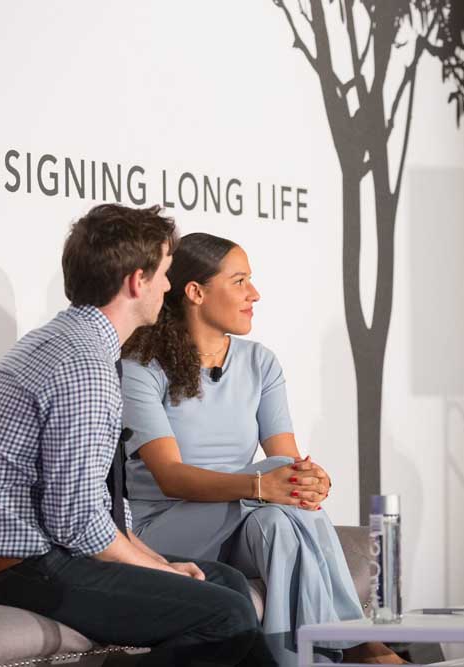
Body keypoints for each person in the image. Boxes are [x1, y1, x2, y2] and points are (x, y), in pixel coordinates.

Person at [0, 205, 275, 667]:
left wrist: (161, 565)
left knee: (225, 583)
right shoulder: (85, 368)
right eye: (164, 273)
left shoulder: (71, 342)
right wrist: (159, 567)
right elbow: (79, 524)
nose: (168, 287)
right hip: (18, 572)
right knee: (229, 614)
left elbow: (98, 515)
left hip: (40, 558)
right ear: (137, 281)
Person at [120, 232, 403, 666]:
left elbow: (287, 462)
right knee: (276, 483)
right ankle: (362, 643)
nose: (255, 293)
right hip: (162, 525)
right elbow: (170, 475)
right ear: (195, 292)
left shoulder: (260, 362)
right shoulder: (141, 366)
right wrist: (263, 483)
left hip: (247, 516)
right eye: (239, 281)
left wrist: (308, 480)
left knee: (280, 524)